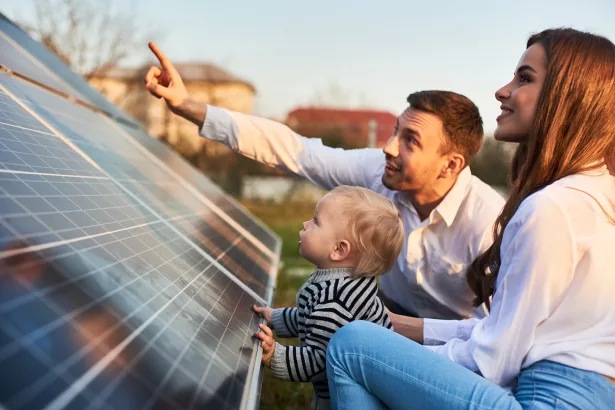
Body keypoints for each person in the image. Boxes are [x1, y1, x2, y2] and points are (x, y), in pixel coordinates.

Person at [325, 28, 615, 409]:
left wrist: (391, 360)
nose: (502, 90)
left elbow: (493, 360)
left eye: (524, 78)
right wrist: (395, 327)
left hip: (546, 399)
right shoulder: (598, 194)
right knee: (368, 338)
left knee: (352, 346)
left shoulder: (552, 208)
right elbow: (505, 330)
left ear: (568, 98)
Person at [143, 44, 505, 320]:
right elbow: (294, 150)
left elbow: (497, 336)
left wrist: (390, 329)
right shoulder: (379, 172)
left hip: (457, 349)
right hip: (389, 317)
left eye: (410, 140)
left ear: (450, 164)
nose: (389, 147)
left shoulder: (489, 223)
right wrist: (188, 107)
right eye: (396, 131)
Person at [251, 185, 403, 410]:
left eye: (315, 221)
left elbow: (321, 360)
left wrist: (275, 355)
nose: (305, 224)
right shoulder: (346, 281)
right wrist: (276, 318)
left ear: (339, 250)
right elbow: (311, 318)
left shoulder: (335, 302)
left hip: (345, 397)